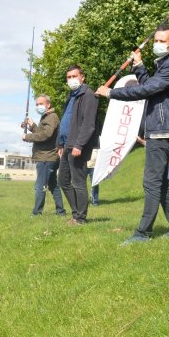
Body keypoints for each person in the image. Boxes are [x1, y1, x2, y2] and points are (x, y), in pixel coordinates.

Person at [96, 24, 169, 244]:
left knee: (151, 182)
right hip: (160, 126)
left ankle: (143, 233)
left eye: (161, 41)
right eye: (155, 40)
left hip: (163, 127)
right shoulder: (166, 63)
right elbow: (151, 85)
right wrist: (139, 66)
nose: (157, 44)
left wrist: (112, 93)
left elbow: (147, 90)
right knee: (161, 183)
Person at [57, 64, 99, 225]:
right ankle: (76, 214)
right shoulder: (71, 96)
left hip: (77, 145)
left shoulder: (88, 95)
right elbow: (65, 121)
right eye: (69, 77)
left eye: (74, 76)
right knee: (63, 181)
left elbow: (88, 124)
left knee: (78, 181)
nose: (71, 80)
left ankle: (80, 218)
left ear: (82, 77)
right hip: (67, 144)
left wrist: (79, 145)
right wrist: (60, 143)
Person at [22, 94, 66, 217]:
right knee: (53, 185)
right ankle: (61, 211)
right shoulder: (46, 117)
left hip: (47, 157)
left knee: (39, 186)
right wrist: (32, 126)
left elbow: (46, 135)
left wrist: (28, 137)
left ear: (48, 104)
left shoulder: (51, 117)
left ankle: (36, 213)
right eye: (37, 104)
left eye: (41, 104)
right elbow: (42, 133)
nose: (38, 106)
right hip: (49, 156)